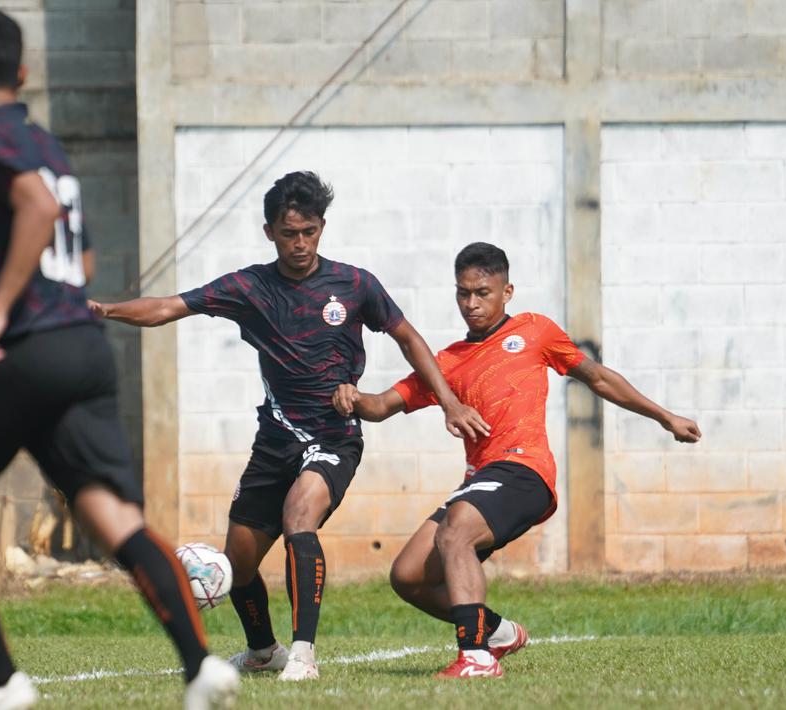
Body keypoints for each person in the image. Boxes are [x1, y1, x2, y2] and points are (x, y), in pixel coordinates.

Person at [0, 11, 238, 709]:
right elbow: (74, 259)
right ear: (22, 75)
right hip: (83, 347)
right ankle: (202, 667)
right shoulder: (47, 144)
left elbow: (37, 210)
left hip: (26, 353)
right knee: (110, 515)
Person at [89, 171, 489, 681]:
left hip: (334, 437)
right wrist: (104, 309)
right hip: (274, 439)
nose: (299, 244)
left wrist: (449, 401)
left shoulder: (355, 284)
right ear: (269, 232)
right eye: (288, 233)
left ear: (322, 227)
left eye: (309, 232)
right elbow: (169, 306)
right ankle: (263, 651)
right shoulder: (249, 287)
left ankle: (303, 653)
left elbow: (409, 338)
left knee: (300, 513)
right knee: (237, 562)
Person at [332, 242, 701, 679]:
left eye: (482, 293)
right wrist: (351, 396)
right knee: (408, 576)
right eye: (463, 293)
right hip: (482, 479)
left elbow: (598, 377)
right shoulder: (445, 364)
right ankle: (499, 633)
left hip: (526, 471)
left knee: (457, 530)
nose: (472, 304)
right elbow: (381, 406)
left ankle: (476, 657)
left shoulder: (535, 331)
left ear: (507, 291)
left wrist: (665, 417)